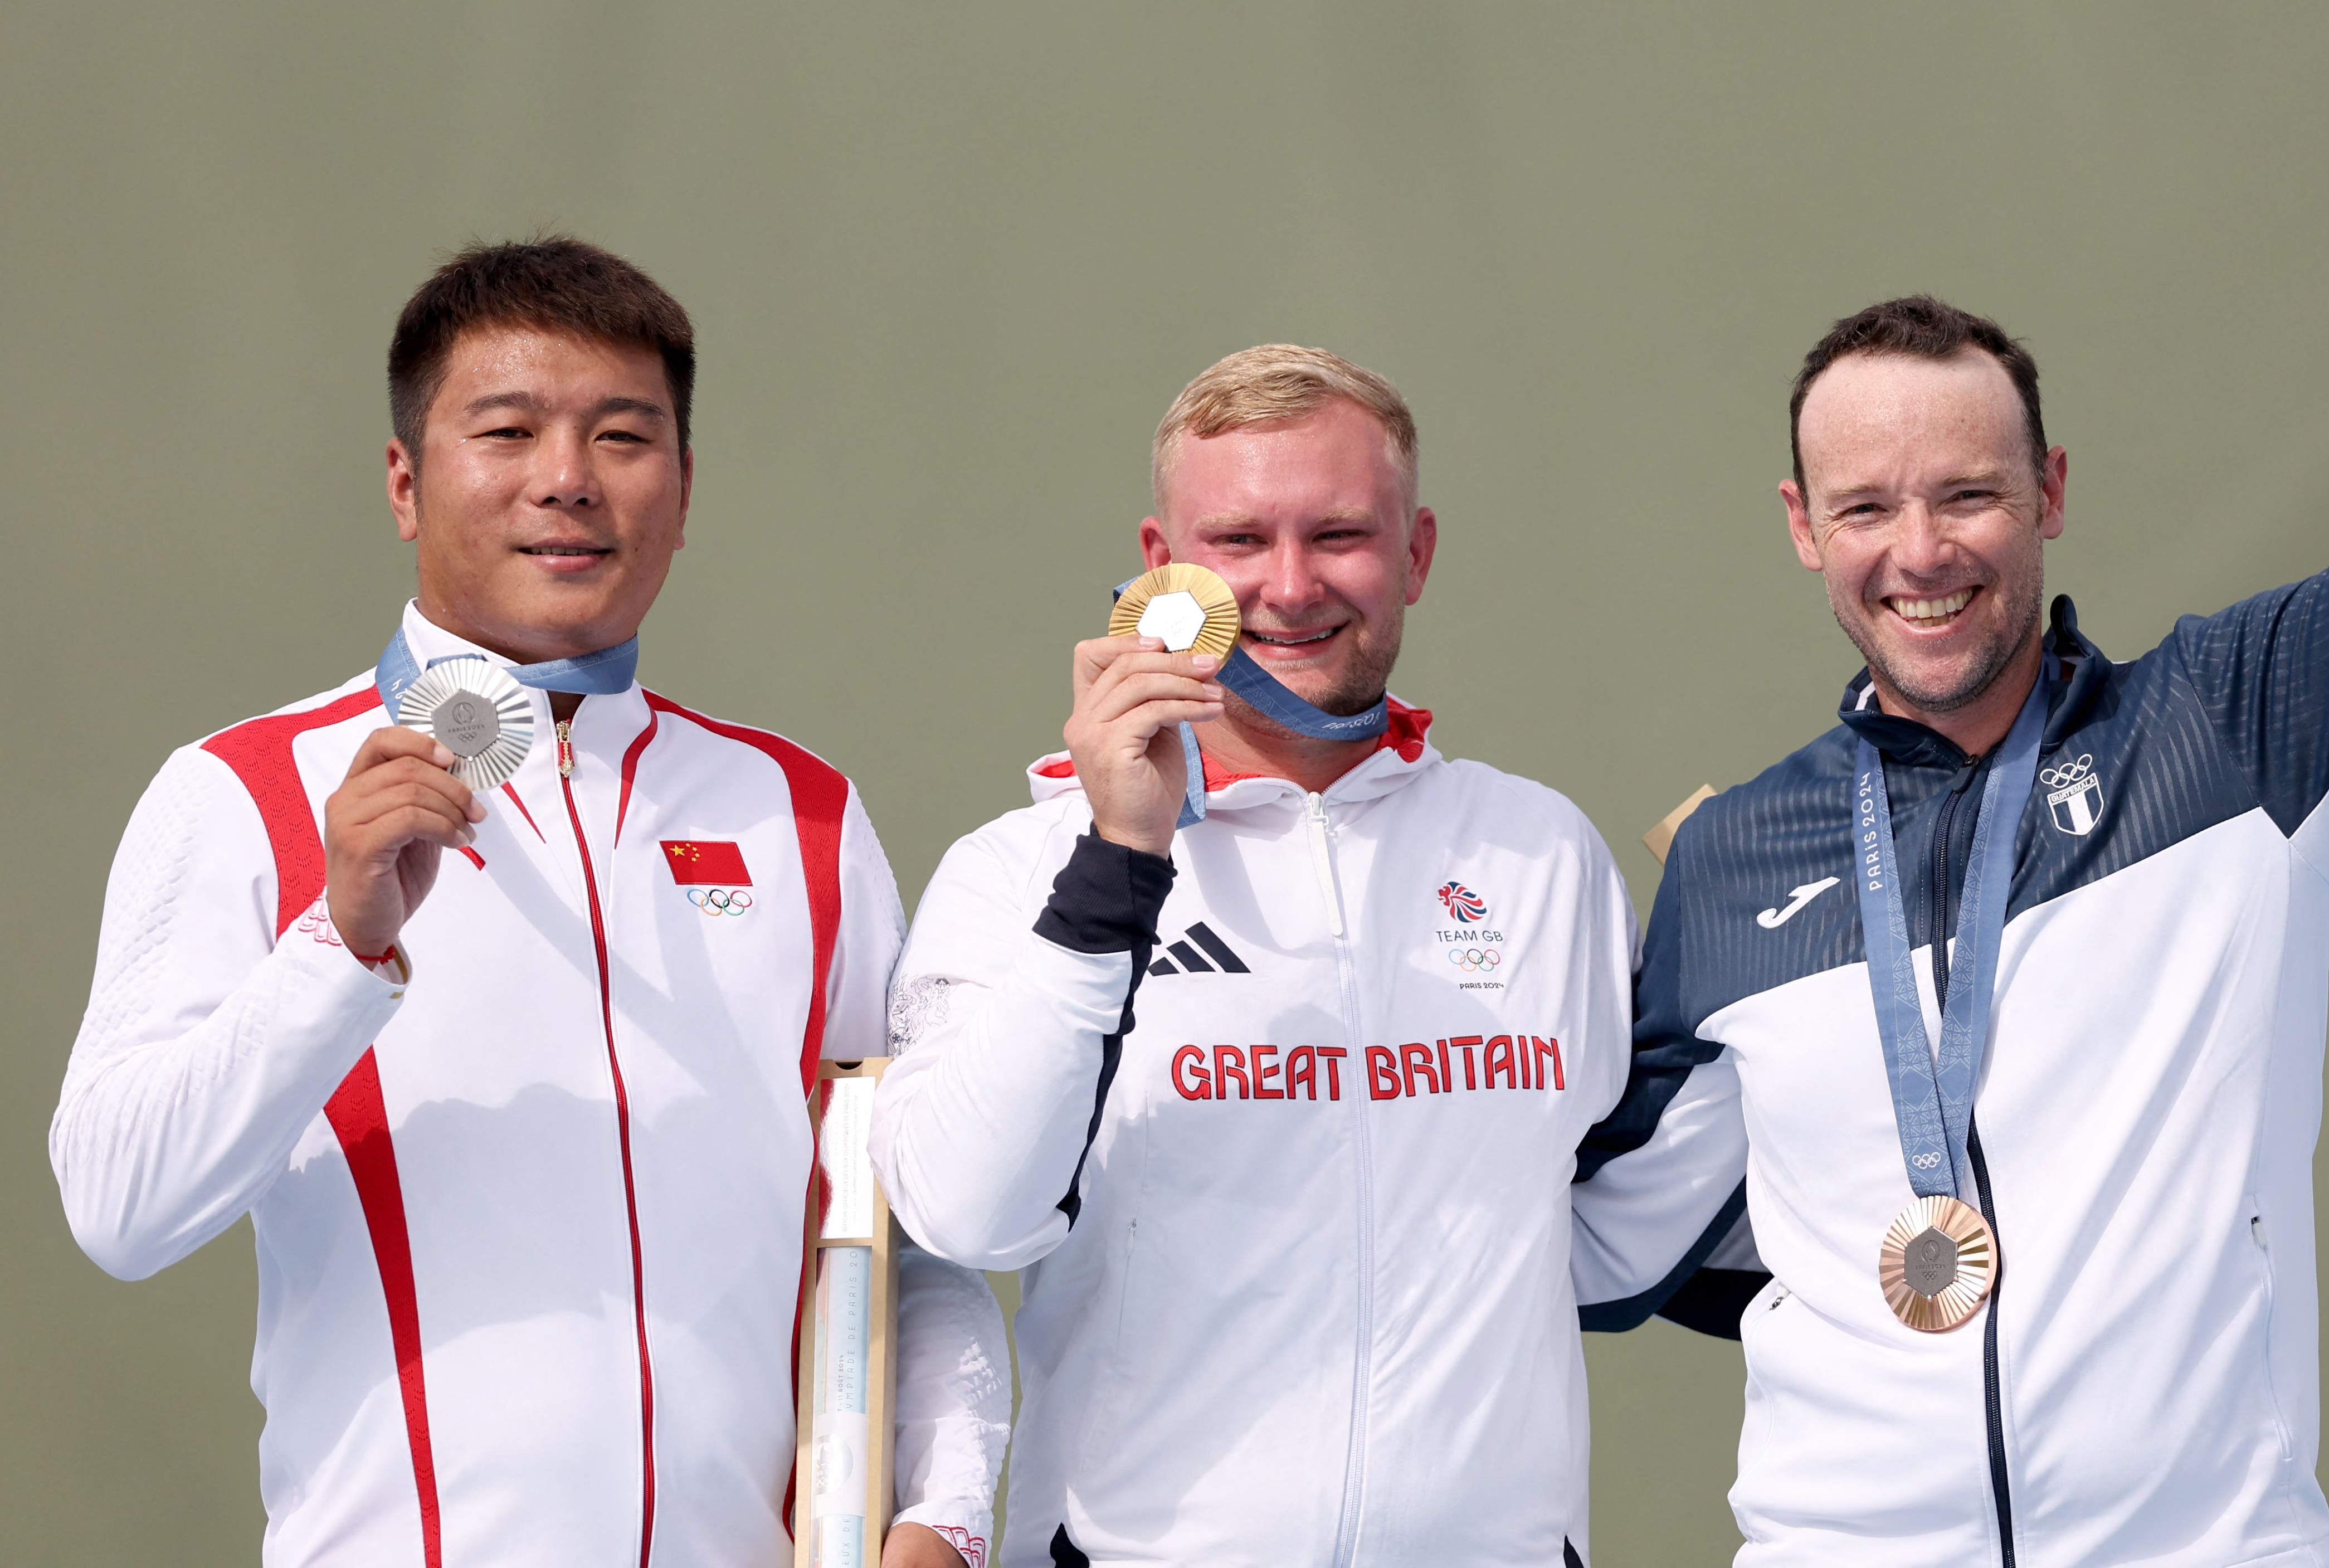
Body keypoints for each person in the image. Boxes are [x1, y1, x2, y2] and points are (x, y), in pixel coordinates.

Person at [1577, 0, 2329, 1565]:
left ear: (2049, 489)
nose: (1920, 552)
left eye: (1968, 495)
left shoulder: (2232, 732)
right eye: (1865, 509)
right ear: (1803, 529)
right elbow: (1599, 1241)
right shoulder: (1739, 861)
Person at [51, 238, 1008, 1568]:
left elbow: (907, 1234)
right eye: (506, 430)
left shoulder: (801, 815)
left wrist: (945, 1516)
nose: (567, 479)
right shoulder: (247, 791)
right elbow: (118, 1207)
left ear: (684, 487)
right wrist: (343, 944)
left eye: (625, 435)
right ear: (404, 481)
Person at [869, 346, 1672, 1567]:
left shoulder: (1540, 853)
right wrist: (1118, 858)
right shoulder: (1019, 870)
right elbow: (973, 1216)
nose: (1290, 588)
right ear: (1160, 568)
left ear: (1416, 554)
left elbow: (1605, 1221)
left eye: (1340, 534)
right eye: (1238, 542)